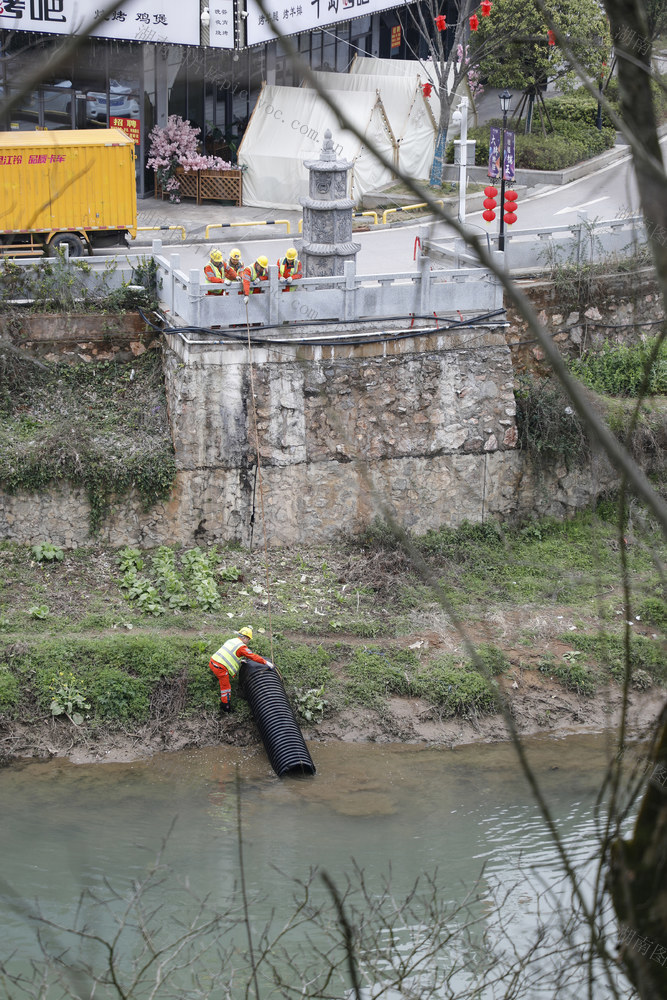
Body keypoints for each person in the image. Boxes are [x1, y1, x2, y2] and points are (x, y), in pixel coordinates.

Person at [209, 626, 274, 713]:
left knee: (223, 683)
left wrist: (240, 660)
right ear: (245, 637)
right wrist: (266, 663)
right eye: (248, 639)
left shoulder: (232, 640)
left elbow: (229, 653)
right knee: (226, 688)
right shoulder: (241, 647)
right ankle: (225, 707)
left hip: (213, 662)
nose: (248, 642)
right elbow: (253, 656)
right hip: (220, 668)